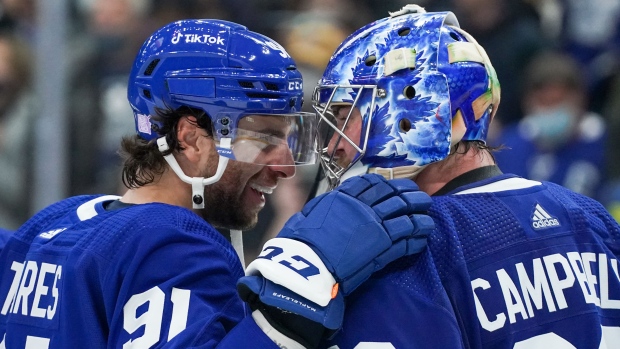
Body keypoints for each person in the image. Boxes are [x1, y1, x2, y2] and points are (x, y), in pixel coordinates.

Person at [0, 19, 434, 348]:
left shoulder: (50, 225)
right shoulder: (170, 245)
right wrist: (293, 301)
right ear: (190, 138)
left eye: (288, 138)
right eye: (264, 137)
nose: (284, 166)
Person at [312, 4, 620, 348]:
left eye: (344, 117)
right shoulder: (593, 220)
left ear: (412, 111)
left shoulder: (408, 248)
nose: (334, 146)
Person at [494, 50, 607, 201]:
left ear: (581, 99)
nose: (550, 111)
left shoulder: (605, 142)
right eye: (543, 103)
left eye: (557, 102)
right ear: (527, 102)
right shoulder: (509, 145)